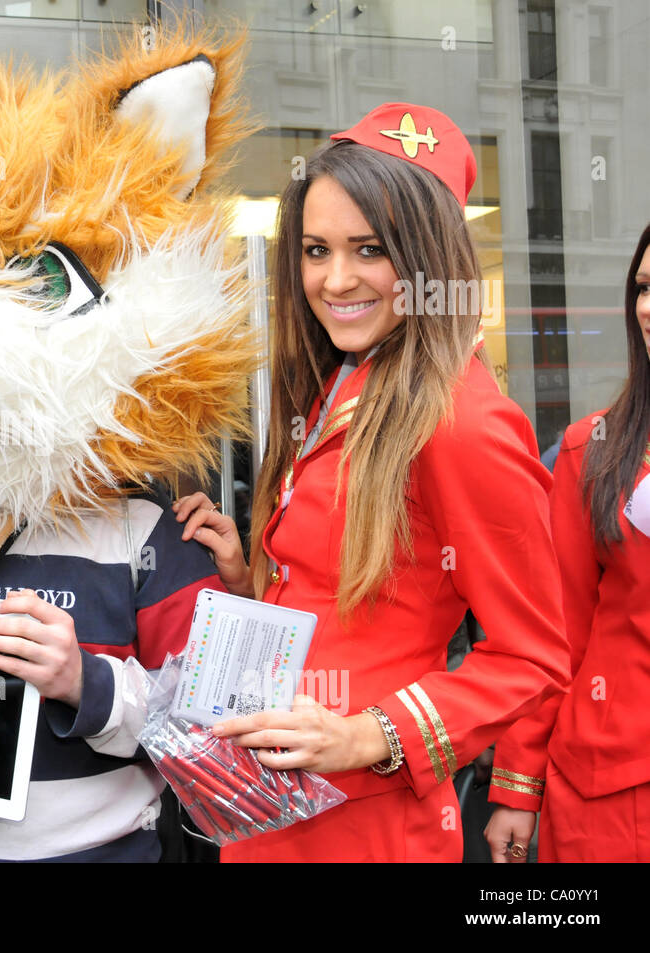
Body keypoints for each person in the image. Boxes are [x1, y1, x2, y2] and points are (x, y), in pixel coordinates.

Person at [173, 103, 570, 861]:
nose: (336, 279)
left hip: (367, 822)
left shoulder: (462, 420)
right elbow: (352, 598)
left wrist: (364, 735)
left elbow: (531, 654)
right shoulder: (344, 382)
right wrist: (250, 575)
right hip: (273, 801)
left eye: (371, 250)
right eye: (317, 250)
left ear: (427, 259)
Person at [484, 223, 650, 863]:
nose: (648, 307)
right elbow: (555, 637)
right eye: (643, 286)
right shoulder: (594, 452)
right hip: (607, 795)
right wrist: (518, 788)